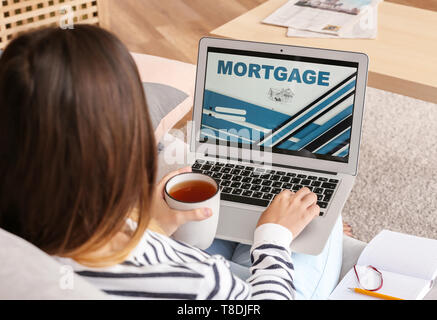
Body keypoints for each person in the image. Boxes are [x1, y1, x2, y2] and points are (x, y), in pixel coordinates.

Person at [0, 25, 345, 300]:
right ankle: (325, 234)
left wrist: (151, 225)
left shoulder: (22, 233)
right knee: (317, 218)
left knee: (228, 215)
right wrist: (274, 237)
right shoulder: (196, 281)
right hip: (253, 289)